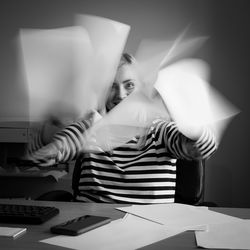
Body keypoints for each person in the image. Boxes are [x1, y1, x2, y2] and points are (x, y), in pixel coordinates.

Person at [28, 53, 217, 204]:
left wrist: (190, 123)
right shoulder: (89, 127)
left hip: (150, 233)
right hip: (89, 228)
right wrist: (51, 126)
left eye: (129, 85)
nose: (120, 94)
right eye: (111, 87)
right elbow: (39, 158)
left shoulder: (160, 131)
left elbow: (203, 147)